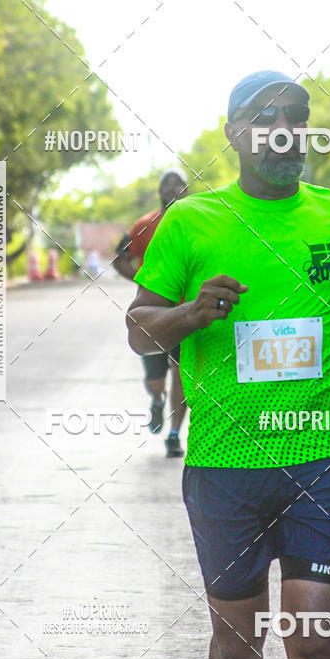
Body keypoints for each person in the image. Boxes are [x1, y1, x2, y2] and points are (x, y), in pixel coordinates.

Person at [126, 70, 330, 659]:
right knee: (238, 643)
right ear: (234, 133)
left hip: (325, 457)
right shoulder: (192, 221)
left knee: (314, 646)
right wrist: (191, 313)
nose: (283, 129)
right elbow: (138, 330)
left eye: (296, 116)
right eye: (266, 116)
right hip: (226, 465)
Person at [114, 169, 189, 457]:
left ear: (186, 189)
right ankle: (157, 399)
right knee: (156, 380)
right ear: (158, 191)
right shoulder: (144, 225)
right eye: (166, 184)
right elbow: (120, 258)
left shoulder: (195, 221)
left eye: (177, 183)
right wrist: (146, 283)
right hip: (153, 314)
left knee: (181, 374)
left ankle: (174, 434)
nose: (171, 188)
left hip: (186, 313)